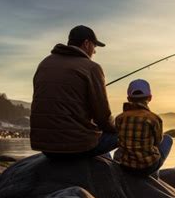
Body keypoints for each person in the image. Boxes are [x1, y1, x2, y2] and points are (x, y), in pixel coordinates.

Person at [30, 25, 118, 158]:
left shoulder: (44, 64)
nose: (94, 52)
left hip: (44, 146)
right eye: (94, 47)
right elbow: (103, 118)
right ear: (86, 43)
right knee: (126, 133)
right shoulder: (91, 68)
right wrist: (118, 128)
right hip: (75, 147)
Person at [115, 79, 173, 176]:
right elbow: (158, 142)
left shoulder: (119, 118)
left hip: (125, 167)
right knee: (168, 139)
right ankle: (155, 175)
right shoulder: (154, 118)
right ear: (150, 98)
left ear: (128, 99)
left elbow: (119, 138)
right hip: (147, 167)